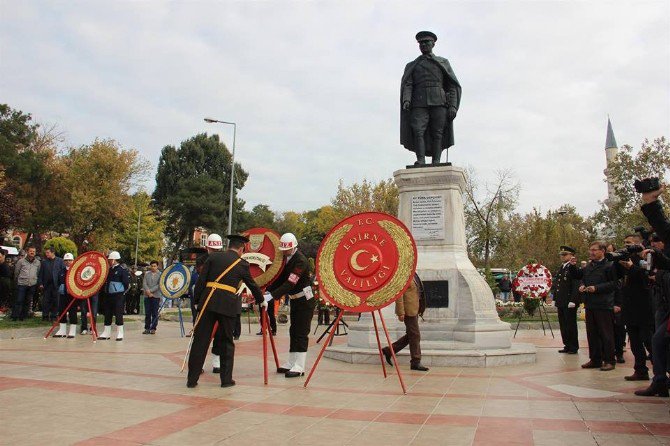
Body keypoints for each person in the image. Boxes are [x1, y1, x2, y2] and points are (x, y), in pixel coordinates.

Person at [187, 234, 263, 388]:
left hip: (207, 302)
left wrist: (197, 302)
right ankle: (226, 380)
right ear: (241, 249)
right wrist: (261, 300)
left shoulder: (213, 258)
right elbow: (252, 284)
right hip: (227, 305)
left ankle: (192, 380)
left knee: (200, 341)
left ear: (228, 246)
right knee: (226, 342)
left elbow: (201, 281)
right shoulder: (242, 264)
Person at [400, 31, 461, 166]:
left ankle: (436, 161)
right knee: (418, 130)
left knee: (438, 132)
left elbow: (452, 85)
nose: (424, 45)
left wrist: (453, 106)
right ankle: (420, 160)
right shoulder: (412, 65)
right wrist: (406, 100)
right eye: (421, 43)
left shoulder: (443, 62)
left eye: (426, 42)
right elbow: (408, 84)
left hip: (439, 101)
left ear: (433, 43)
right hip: (418, 102)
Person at [269, 233, 315, 378]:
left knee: (301, 332)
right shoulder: (286, 259)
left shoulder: (300, 261)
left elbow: (290, 282)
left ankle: (300, 366)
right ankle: (292, 362)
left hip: (305, 301)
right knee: (293, 331)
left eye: (286, 249)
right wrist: (268, 290)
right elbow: (279, 279)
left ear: (293, 247)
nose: (283, 251)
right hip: (295, 300)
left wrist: (273, 295)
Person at [569, 241, 620, 371]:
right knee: (592, 334)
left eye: (594, 250)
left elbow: (614, 284)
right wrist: (574, 269)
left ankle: (609, 360)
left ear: (602, 251)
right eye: (590, 250)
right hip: (590, 304)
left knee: (606, 334)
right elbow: (578, 276)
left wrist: (596, 288)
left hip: (603, 305)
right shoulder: (589, 266)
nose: (591, 252)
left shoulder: (609, 265)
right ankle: (595, 359)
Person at [616, 234, 655, 381]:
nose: (626, 246)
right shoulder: (626, 260)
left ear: (638, 245)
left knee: (649, 341)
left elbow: (647, 278)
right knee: (635, 342)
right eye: (625, 243)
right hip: (630, 307)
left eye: (629, 243)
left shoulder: (646, 258)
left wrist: (632, 267)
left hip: (643, 307)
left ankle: (661, 373)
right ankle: (640, 370)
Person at [382, 273, 428, 371]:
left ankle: (389, 350)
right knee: (415, 335)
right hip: (408, 311)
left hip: (415, 309)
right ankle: (415, 362)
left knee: (412, 334)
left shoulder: (414, 274)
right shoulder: (402, 275)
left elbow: (418, 291)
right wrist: (400, 312)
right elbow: (399, 295)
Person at [551, 246, 580, 354]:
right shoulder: (562, 267)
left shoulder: (573, 268)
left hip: (569, 301)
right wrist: (554, 298)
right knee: (563, 324)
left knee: (570, 324)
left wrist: (573, 300)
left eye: (565, 254)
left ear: (572, 255)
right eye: (561, 255)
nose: (562, 257)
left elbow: (575, 284)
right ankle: (567, 344)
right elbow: (557, 285)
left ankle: (573, 346)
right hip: (561, 301)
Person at [98, 251, 129, 341]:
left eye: (110, 259)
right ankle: (106, 333)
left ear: (114, 259)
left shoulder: (122, 270)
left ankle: (120, 333)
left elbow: (126, 284)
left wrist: (120, 291)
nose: (109, 261)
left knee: (118, 314)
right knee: (107, 314)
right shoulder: (108, 270)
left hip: (118, 296)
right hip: (108, 295)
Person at [607, 243, 627, 363]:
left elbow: (619, 284)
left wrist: (618, 304)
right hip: (604, 302)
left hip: (616, 301)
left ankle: (619, 353)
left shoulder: (617, 264)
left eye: (611, 251)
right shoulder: (600, 265)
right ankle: (608, 353)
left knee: (618, 329)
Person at [12, 246, 40, 321]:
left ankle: (23, 316)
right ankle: (15, 316)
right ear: (27, 252)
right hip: (22, 284)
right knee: (19, 300)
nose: (32, 253)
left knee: (28, 301)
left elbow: (37, 272)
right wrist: (17, 281)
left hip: (32, 284)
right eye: (31, 251)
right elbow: (16, 272)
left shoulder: (37, 262)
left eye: (34, 251)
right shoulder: (21, 261)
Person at [53, 253, 78, 338]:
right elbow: (58, 282)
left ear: (73, 261)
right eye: (66, 260)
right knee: (62, 311)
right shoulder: (61, 271)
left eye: (70, 260)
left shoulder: (76, 271)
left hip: (72, 295)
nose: (68, 262)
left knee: (72, 312)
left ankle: (72, 330)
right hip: (63, 294)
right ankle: (62, 330)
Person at [38, 247, 64, 321]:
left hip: (56, 285)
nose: (46, 254)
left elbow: (62, 272)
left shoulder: (60, 261)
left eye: (48, 252)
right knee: (46, 301)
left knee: (56, 301)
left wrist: (61, 283)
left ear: (53, 253)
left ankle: (54, 316)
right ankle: (45, 316)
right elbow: (41, 274)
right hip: (47, 285)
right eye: (46, 253)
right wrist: (40, 283)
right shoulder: (44, 262)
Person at [142, 260, 162, 335]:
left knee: (154, 313)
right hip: (147, 296)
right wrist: (147, 291)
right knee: (147, 313)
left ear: (157, 266)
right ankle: (147, 328)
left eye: (154, 266)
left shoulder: (160, 275)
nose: (153, 267)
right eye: (152, 266)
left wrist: (150, 291)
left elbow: (159, 285)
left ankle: (153, 328)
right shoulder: (147, 274)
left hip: (155, 296)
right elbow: (144, 283)